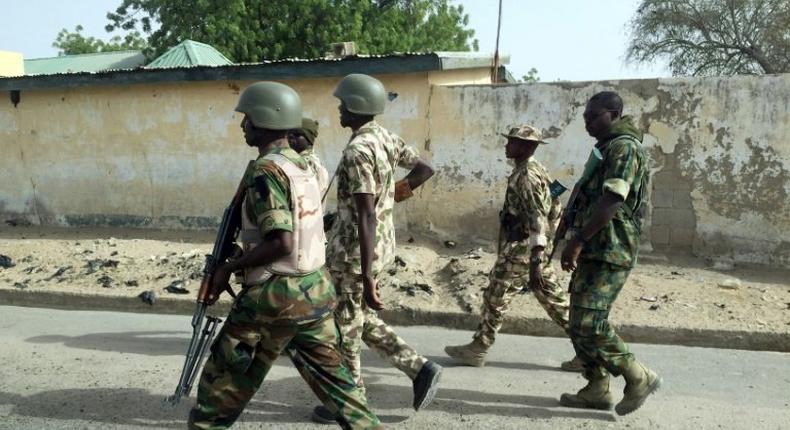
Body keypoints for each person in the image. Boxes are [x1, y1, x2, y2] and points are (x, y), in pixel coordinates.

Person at [188, 81, 382, 430]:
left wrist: (229, 267)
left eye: (247, 118)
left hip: (275, 295)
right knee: (344, 393)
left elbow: (281, 242)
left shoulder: (266, 171)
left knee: (220, 387)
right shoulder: (303, 165)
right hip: (315, 290)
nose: (243, 125)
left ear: (264, 119)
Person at [311, 73, 441, 423]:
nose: (339, 109)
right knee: (355, 318)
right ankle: (419, 368)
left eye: (342, 104)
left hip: (355, 255)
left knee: (346, 330)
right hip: (376, 247)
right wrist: (392, 197)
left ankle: (351, 403)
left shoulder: (358, 150)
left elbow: (366, 214)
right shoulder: (384, 137)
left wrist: (367, 275)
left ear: (356, 106)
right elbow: (424, 169)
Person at [444, 125, 581, 371]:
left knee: (495, 296)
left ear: (528, 147)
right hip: (532, 247)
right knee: (555, 302)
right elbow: (555, 202)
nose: (507, 145)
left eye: (513, 142)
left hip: (524, 249)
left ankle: (479, 347)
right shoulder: (534, 169)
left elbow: (538, 215)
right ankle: (588, 351)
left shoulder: (526, 175)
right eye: (509, 141)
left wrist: (537, 257)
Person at [559, 91, 660, 415]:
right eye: (585, 117)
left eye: (594, 116)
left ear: (614, 114)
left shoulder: (624, 147)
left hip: (611, 247)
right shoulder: (605, 148)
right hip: (595, 245)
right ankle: (596, 386)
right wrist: (571, 234)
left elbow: (612, 200)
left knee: (590, 321)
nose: (587, 122)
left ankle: (637, 375)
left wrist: (579, 241)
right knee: (577, 321)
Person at [289, 117, 330, 196]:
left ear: (308, 138)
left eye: (297, 134)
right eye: (289, 133)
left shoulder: (306, 163)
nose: (291, 137)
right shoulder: (313, 159)